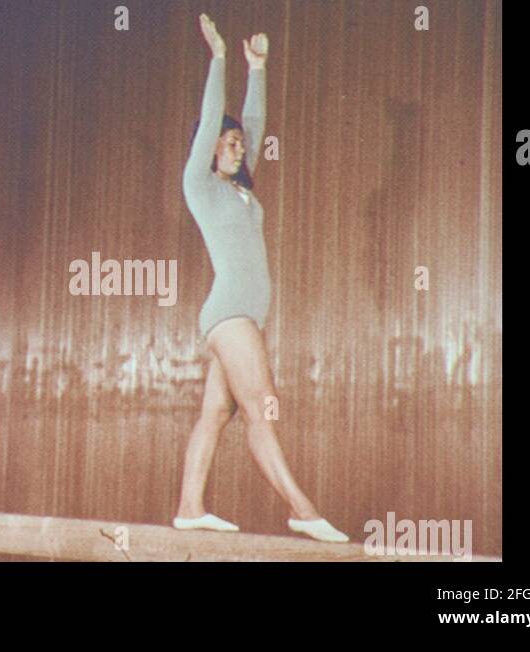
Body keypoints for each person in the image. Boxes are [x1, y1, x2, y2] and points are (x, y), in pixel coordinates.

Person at [172, 14, 349, 543]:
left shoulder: (242, 192)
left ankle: (188, 506)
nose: (237, 146)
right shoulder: (200, 187)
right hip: (229, 315)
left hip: (240, 316)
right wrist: (221, 58)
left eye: (237, 143)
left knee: (216, 412)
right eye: (227, 143)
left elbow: (254, 124)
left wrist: (258, 68)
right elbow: (211, 122)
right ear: (209, 149)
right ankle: (302, 507)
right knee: (261, 407)